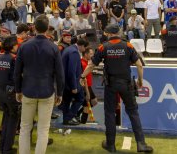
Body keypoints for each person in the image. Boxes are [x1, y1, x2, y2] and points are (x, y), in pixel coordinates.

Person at [81, 24, 153, 153]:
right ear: (118, 32)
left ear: (108, 34)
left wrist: (82, 76)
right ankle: (141, 144)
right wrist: (140, 81)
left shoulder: (104, 47)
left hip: (111, 85)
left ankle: (111, 144)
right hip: (126, 84)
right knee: (133, 112)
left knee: (109, 113)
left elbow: (91, 65)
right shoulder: (128, 45)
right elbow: (139, 65)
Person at [14, 15, 64, 154]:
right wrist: (59, 93)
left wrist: (18, 90)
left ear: (34, 27)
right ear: (47, 28)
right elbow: (60, 74)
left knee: (25, 127)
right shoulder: (53, 48)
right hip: (46, 91)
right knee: (43, 129)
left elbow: (17, 72)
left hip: (28, 90)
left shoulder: (24, 46)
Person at [0, 36, 19, 154]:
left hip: (0, 92)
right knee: (13, 120)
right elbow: (16, 77)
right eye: (16, 45)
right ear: (12, 46)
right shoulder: (14, 59)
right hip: (11, 93)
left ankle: (1, 146)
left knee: (5, 119)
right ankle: (7, 149)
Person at [61, 38, 89, 125]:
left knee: (66, 101)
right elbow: (71, 70)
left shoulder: (69, 49)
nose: (85, 50)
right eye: (85, 48)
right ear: (81, 46)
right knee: (80, 98)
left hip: (65, 81)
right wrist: (74, 86)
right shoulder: (74, 52)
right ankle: (69, 117)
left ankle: (66, 119)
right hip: (71, 82)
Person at [79, 47, 98, 124]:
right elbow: (83, 79)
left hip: (89, 86)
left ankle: (78, 113)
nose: (92, 55)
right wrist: (87, 92)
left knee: (94, 101)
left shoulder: (88, 62)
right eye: (90, 54)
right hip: (85, 87)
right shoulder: (83, 64)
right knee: (87, 106)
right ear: (86, 54)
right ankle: (82, 123)